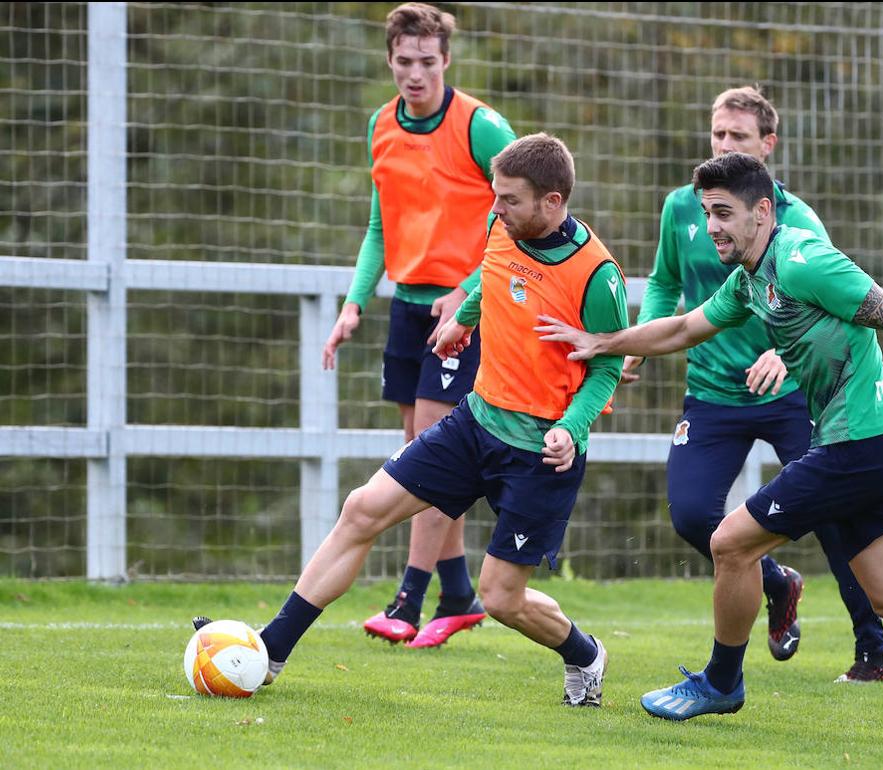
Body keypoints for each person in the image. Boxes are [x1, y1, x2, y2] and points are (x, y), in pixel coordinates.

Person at [537, 152, 883, 744]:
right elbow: (684, 327)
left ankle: (721, 683)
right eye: (706, 213)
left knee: (730, 543)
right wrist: (605, 342)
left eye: (724, 213)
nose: (712, 225)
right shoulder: (750, 278)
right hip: (868, 440)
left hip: (857, 444)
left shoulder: (801, 259)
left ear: (762, 211)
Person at [198, 133, 628, 707]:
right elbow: (490, 276)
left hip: (538, 455)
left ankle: (584, 654)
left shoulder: (598, 275)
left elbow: (608, 367)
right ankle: (271, 651)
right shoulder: (502, 229)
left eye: (510, 200)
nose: (496, 209)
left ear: (552, 202)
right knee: (362, 508)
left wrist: (570, 429)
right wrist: (463, 318)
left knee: (501, 598)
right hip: (474, 425)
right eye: (495, 197)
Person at [626, 85, 883, 680]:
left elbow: (825, 304)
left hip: (790, 394)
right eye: (718, 133)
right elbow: (666, 285)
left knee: (835, 517)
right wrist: (639, 344)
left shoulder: (797, 222)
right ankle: (777, 582)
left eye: (738, 136)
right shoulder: (685, 208)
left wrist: (779, 349)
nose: (724, 143)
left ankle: (872, 651)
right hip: (713, 394)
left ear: (767, 146)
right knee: (693, 514)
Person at [321, 2, 516, 649]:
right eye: (403, 62)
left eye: (426, 62)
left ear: (446, 61)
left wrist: (467, 292)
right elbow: (382, 226)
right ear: (390, 60)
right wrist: (354, 302)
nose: (414, 74)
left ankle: (410, 597)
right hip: (408, 309)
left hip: (459, 313)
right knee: (419, 452)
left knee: (427, 457)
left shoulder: (482, 127)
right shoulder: (382, 125)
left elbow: (514, 217)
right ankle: (458, 592)